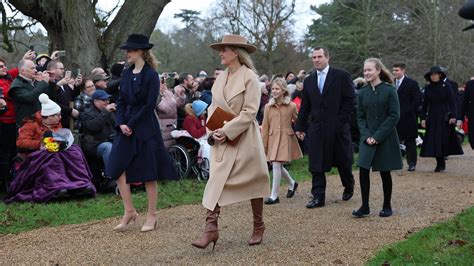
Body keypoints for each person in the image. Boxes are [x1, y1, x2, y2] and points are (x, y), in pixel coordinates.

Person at [192, 34, 270, 250]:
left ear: (235, 52)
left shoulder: (250, 77)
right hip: (222, 139)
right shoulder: (221, 78)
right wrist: (212, 131)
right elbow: (213, 110)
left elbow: (250, 112)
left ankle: (258, 225)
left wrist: (227, 130)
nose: (221, 54)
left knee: (253, 181)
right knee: (216, 180)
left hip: (244, 138)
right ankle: (210, 228)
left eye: (224, 50)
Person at [105, 34, 178, 232]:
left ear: (140, 52)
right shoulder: (127, 74)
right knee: (117, 166)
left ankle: (152, 215)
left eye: (129, 50)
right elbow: (120, 101)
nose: (126, 53)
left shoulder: (151, 75)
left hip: (145, 127)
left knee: (148, 171)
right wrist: (121, 123)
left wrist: (131, 124)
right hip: (125, 126)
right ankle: (129, 211)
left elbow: (148, 105)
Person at [5, 94, 95, 203]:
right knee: (52, 159)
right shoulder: (31, 124)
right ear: (48, 117)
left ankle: (81, 183)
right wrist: (40, 144)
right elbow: (20, 142)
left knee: (75, 152)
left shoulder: (57, 124)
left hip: (55, 152)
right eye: (57, 115)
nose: (60, 117)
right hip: (34, 155)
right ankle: (56, 186)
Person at [295, 47, 355, 209]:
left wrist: (340, 121)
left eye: (320, 56)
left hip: (337, 128)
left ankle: (349, 185)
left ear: (327, 57)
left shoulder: (341, 76)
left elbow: (350, 101)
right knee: (316, 162)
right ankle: (318, 197)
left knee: (343, 161)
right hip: (316, 128)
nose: (316, 60)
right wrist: (300, 127)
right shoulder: (309, 80)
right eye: (314, 57)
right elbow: (305, 106)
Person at [353, 58, 402, 218]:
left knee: (384, 171)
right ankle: (365, 206)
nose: (366, 73)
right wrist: (367, 136)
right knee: (363, 169)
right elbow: (360, 117)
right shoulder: (362, 93)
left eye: (369, 70)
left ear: (378, 70)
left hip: (385, 137)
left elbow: (394, 115)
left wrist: (378, 136)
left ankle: (387, 205)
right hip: (367, 138)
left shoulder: (389, 90)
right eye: (365, 70)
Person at [261, 78, 302, 204]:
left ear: (284, 90)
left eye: (277, 89)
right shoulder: (268, 107)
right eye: (273, 89)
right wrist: (264, 144)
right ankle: (292, 183)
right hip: (273, 138)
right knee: (276, 164)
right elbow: (265, 126)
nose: (274, 91)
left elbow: (299, 121)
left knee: (277, 164)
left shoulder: (292, 106)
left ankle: (274, 195)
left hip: (285, 137)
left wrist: (301, 132)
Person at [420, 66, 463, 172]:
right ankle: (439, 161)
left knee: (443, 138)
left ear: (440, 75)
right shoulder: (428, 88)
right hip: (432, 116)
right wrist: (423, 118)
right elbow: (425, 104)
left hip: (444, 116)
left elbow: (452, 102)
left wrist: (453, 116)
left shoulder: (446, 86)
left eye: (435, 74)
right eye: (432, 75)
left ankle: (442, 161)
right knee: (433, 139)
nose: (433, 76)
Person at [79, 90, 117, 190]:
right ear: (95, 101)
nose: (107, 102)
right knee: (108, 147)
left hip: (109, 140)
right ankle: (111, 179)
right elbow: (94, 127)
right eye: (104, 100)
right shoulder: (87, 113)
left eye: (108, 99)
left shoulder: (109, 112)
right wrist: (106, 112)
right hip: (94, 144)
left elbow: (116, 126)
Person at [392, 63, 422, 171]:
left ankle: (412, 163)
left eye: (397, 70)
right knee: (393, 141)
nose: (395, 72)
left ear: (403, 71)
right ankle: (393, 162)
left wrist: (409, 109)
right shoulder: (390, 83)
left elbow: (418, 98)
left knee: (410, 141)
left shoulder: (412, 83)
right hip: (393, 117)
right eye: (394, 70)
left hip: (408, 117)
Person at [8, 59, 55, 125]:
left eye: (35, 68)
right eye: (32, 68)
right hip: (26, 125)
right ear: (23, 71)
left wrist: (51, 82)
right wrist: (43, 82)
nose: (35, 70)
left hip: (39, 122)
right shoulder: (16, 86)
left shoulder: (33, 82)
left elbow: (48, 97)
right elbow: (30, 97)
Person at [0, 58, 19, 188]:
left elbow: (16, 70)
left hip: (13, 120)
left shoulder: (8, 77)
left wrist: (24, 60)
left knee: (13, 151)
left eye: (4, 65)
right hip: (3, 122)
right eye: (1, 66)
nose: (4, 68)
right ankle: (4, 182)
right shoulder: (3, 82)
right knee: (5, 153)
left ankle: (12, 178)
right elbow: (10, 92)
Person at [156, 79, 181, 149]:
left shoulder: (168, 92)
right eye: (161, 83)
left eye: (163, 83)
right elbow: (165, 108)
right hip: (164, 126)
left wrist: (181, 96)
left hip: (173, 124)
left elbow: (178, 104)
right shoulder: (156, 96)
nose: (163, 85)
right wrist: (161, 93)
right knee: (165, 147)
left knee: (172, 147)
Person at [460, 79, 474, 149]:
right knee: (472, 139)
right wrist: (460, 118)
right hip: (472, 115)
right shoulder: (470, 84)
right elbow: (465, 101)